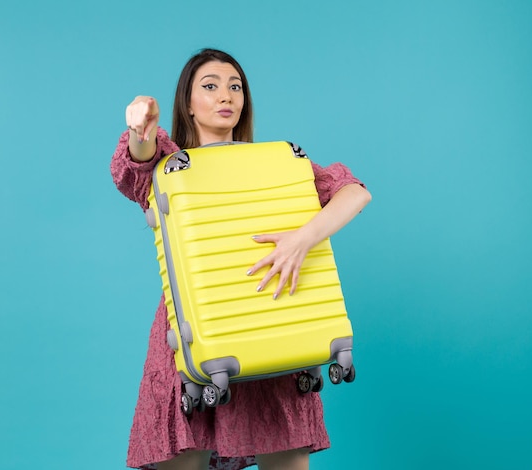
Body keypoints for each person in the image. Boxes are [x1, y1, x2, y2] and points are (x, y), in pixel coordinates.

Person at [110, 48, 371, 470]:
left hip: (269, 326)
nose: (225, 95)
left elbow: (355, 191)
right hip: (195, 334)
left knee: (285, 457)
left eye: (235, 87)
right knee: (183, 458)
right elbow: (138, 159)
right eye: (209, 87)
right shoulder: (171, 166)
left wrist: (301, 239)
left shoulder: (275, 166)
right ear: (188, 105)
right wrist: (140, 125)